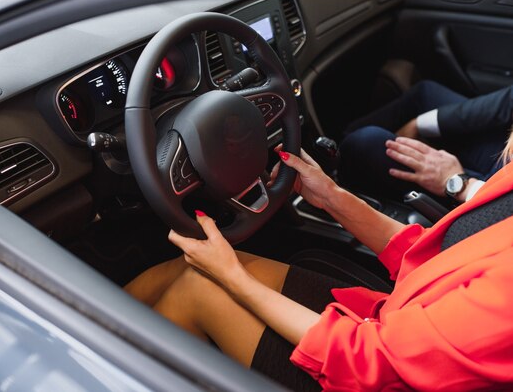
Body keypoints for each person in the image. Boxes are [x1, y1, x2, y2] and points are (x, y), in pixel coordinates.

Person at [125, 140, 513, 391]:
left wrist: (232, 277)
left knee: (195, 291)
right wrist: (332, 197)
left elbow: (370, 361)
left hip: (378, 370)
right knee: (186, 267)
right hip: (395, 323)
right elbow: (433, 255)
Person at [339, 80, 513, 203]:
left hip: (497, 196)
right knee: (424, 94)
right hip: (506, 151)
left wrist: (461, 185)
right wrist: (419, 124)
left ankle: (338, 173)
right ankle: (339, 149)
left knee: (366, 141)